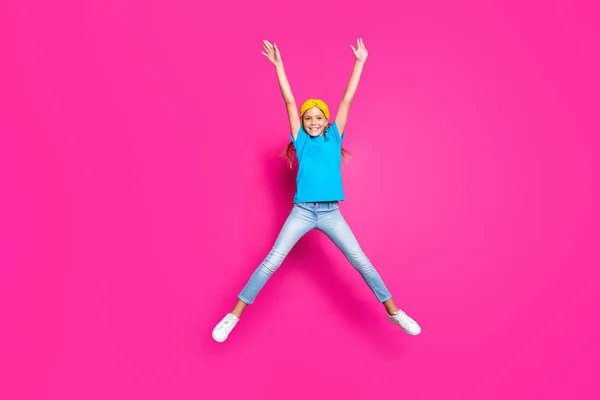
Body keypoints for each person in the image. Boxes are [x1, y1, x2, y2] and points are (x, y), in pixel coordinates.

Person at [211, 39, 421, 343]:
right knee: (272, 260)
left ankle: (394, 312)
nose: (312, 121)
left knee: (361, 261)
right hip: (303, 212)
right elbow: (290, 102)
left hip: (331, 213)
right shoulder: (302, 141)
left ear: (326, 122)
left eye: (318, 118)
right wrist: (278, 66)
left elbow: (347, 100)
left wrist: (360, 63)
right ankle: (233, 315)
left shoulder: (334, 136)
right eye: (308, 118)